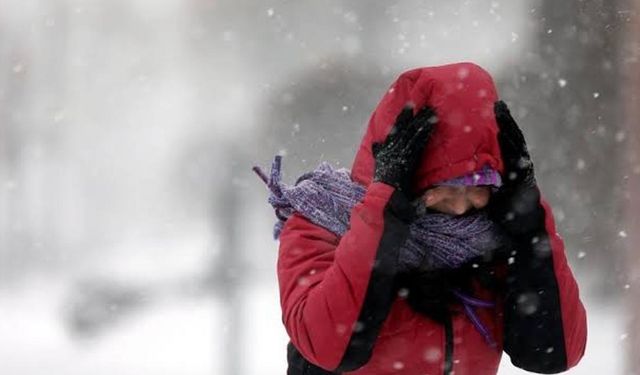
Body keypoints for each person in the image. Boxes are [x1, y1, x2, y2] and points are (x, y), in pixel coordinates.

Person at [253, 62, 587, 375]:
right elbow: (328, 346)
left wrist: (531, 227)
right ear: (407, 174)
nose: (460, 207)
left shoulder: (493, 238)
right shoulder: (322, 220)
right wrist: (383, 213)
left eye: (478, 187)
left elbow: (552, 353)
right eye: (444, 187)